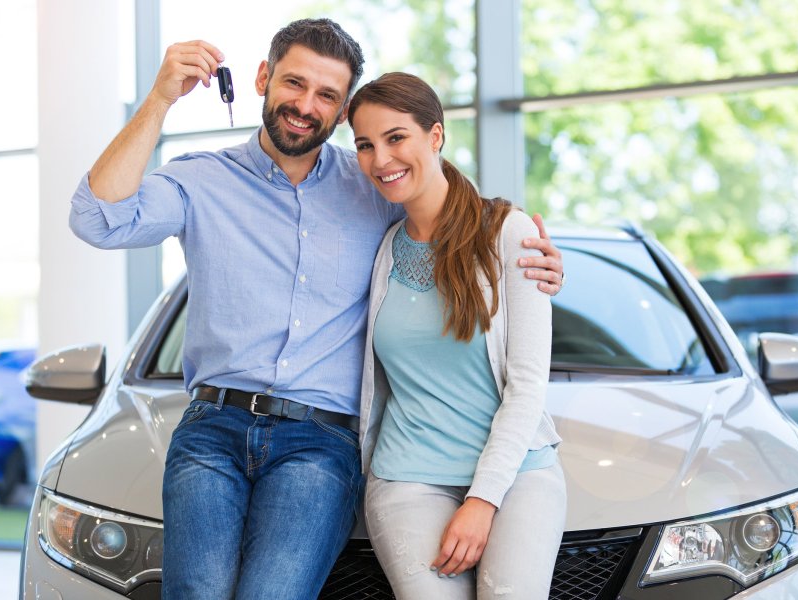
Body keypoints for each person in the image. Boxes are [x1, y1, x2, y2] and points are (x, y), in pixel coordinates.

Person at [69, 19, 564, 600]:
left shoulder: (373, 189)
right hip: (212, 428)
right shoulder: (200, 181)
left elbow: (453, 231)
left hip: (320, 440)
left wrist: (534, 260)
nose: (306, 105)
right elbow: (97, 219)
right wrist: (159, 100)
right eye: (294, 84)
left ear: (342, 107)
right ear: (263, 78)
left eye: (327, 95)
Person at [349, 72, 566, 600]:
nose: (381, 159)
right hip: (407, 476)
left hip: (519, 475)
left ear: (436, 136)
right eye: (365, 145)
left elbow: (528, 383)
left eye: (396, 137)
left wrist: (483, 499)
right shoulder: (379, 249)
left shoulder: (507, 233)